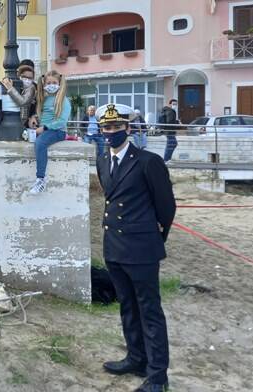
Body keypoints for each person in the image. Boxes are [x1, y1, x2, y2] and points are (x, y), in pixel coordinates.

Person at [95, 103, 175, 392]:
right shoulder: (103, 160)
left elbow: (166, 207)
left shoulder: (147, 161)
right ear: (101, 130)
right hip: (114, 246)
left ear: (127, 129)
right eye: (107, 127)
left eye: (117, 127)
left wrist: (155, 239)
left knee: (150, 311)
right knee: (127, 306)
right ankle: (136, 357)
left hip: (141, 248)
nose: (111, 132)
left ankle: (157, 376)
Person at [28, 70, 71, 194]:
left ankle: (40, 179)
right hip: (44, 129)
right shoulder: (45, 99)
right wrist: (35, 119)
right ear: (44, 84)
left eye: (54, 82)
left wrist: (45, 128)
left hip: (58, 131)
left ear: (59, 83)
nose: (51, 85)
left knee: (40, 143)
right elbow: (43, 116)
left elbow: (62, 121)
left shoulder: (63, 100)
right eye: (48, 83)